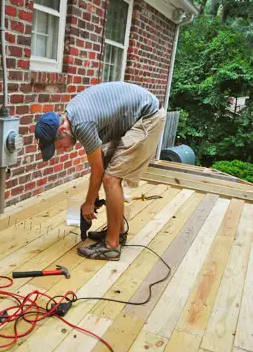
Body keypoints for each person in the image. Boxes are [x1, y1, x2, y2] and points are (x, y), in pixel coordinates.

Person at [34, 81, 166, 261]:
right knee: (108, 172)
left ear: (62, 129)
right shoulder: (72, 114)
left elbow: (97, 171)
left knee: (111, 179)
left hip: (147, 118)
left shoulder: (82, 124)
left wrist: (88, 203)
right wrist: (93, 196)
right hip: (135, 118)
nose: (62, 150)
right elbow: (100, 164)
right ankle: (117, 232)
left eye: (59, 146)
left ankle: (112, 246)